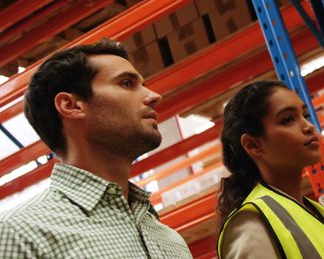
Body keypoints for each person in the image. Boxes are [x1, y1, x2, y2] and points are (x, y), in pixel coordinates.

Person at [0, 39, 192, 258]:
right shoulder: (17, 234)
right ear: (71, 105)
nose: (154, 96)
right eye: (127, 84)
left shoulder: (170, 240)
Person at [216, 80, 324, 258]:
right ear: (253, 145)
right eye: (287, 120)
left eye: (305, 115)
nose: (308, 126)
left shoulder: (319, 213)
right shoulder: (252, 225)